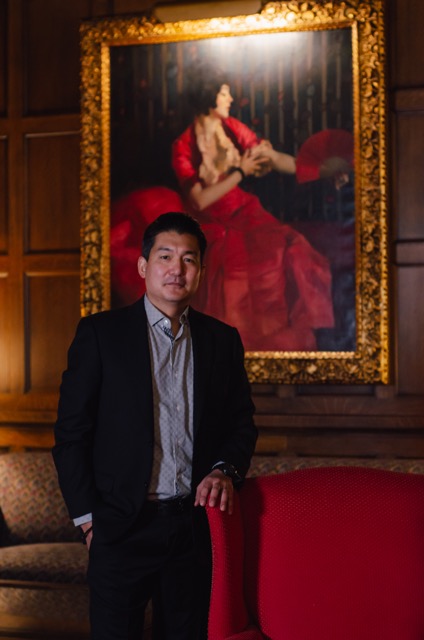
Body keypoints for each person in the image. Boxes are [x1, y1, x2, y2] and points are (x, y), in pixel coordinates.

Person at [53, 212, 257, 640]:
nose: (176, 269)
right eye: (165, 256)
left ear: (201, 271)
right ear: (144, 266)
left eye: (189, 259)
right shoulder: (101, 335)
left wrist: (224, 470)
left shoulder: (222, 341)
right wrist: (89, 522)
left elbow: (242, 425)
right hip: (120, 527)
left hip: (192, 529)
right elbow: (71, 435)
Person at [171, 70, 335, 351]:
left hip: (245, 211)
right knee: (237, 275)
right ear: (209, 97)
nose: (230, 99)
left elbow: (273, 158)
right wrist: (240, 172)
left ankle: (278, 340)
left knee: (294, 247)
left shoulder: (232, 128)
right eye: (224, 93)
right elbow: (199, 201)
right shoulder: (184, 145)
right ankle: (239, 349)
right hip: (211, 221)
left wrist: (319, 170)